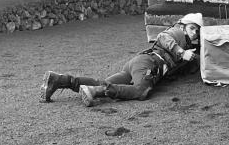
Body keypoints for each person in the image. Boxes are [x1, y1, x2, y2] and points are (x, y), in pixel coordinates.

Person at [39, 13, 203, 107]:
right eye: (192, 28)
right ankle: (97, 92)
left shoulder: (187, 46)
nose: (195, 33)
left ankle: (60, 80)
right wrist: (181, 52)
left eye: (197, 31)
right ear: (182, 26)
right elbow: (163, 36)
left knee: (100, 82)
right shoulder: (177, 33)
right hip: (148, 64)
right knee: (140, 91)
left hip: (136, 63)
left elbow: (195, 63)